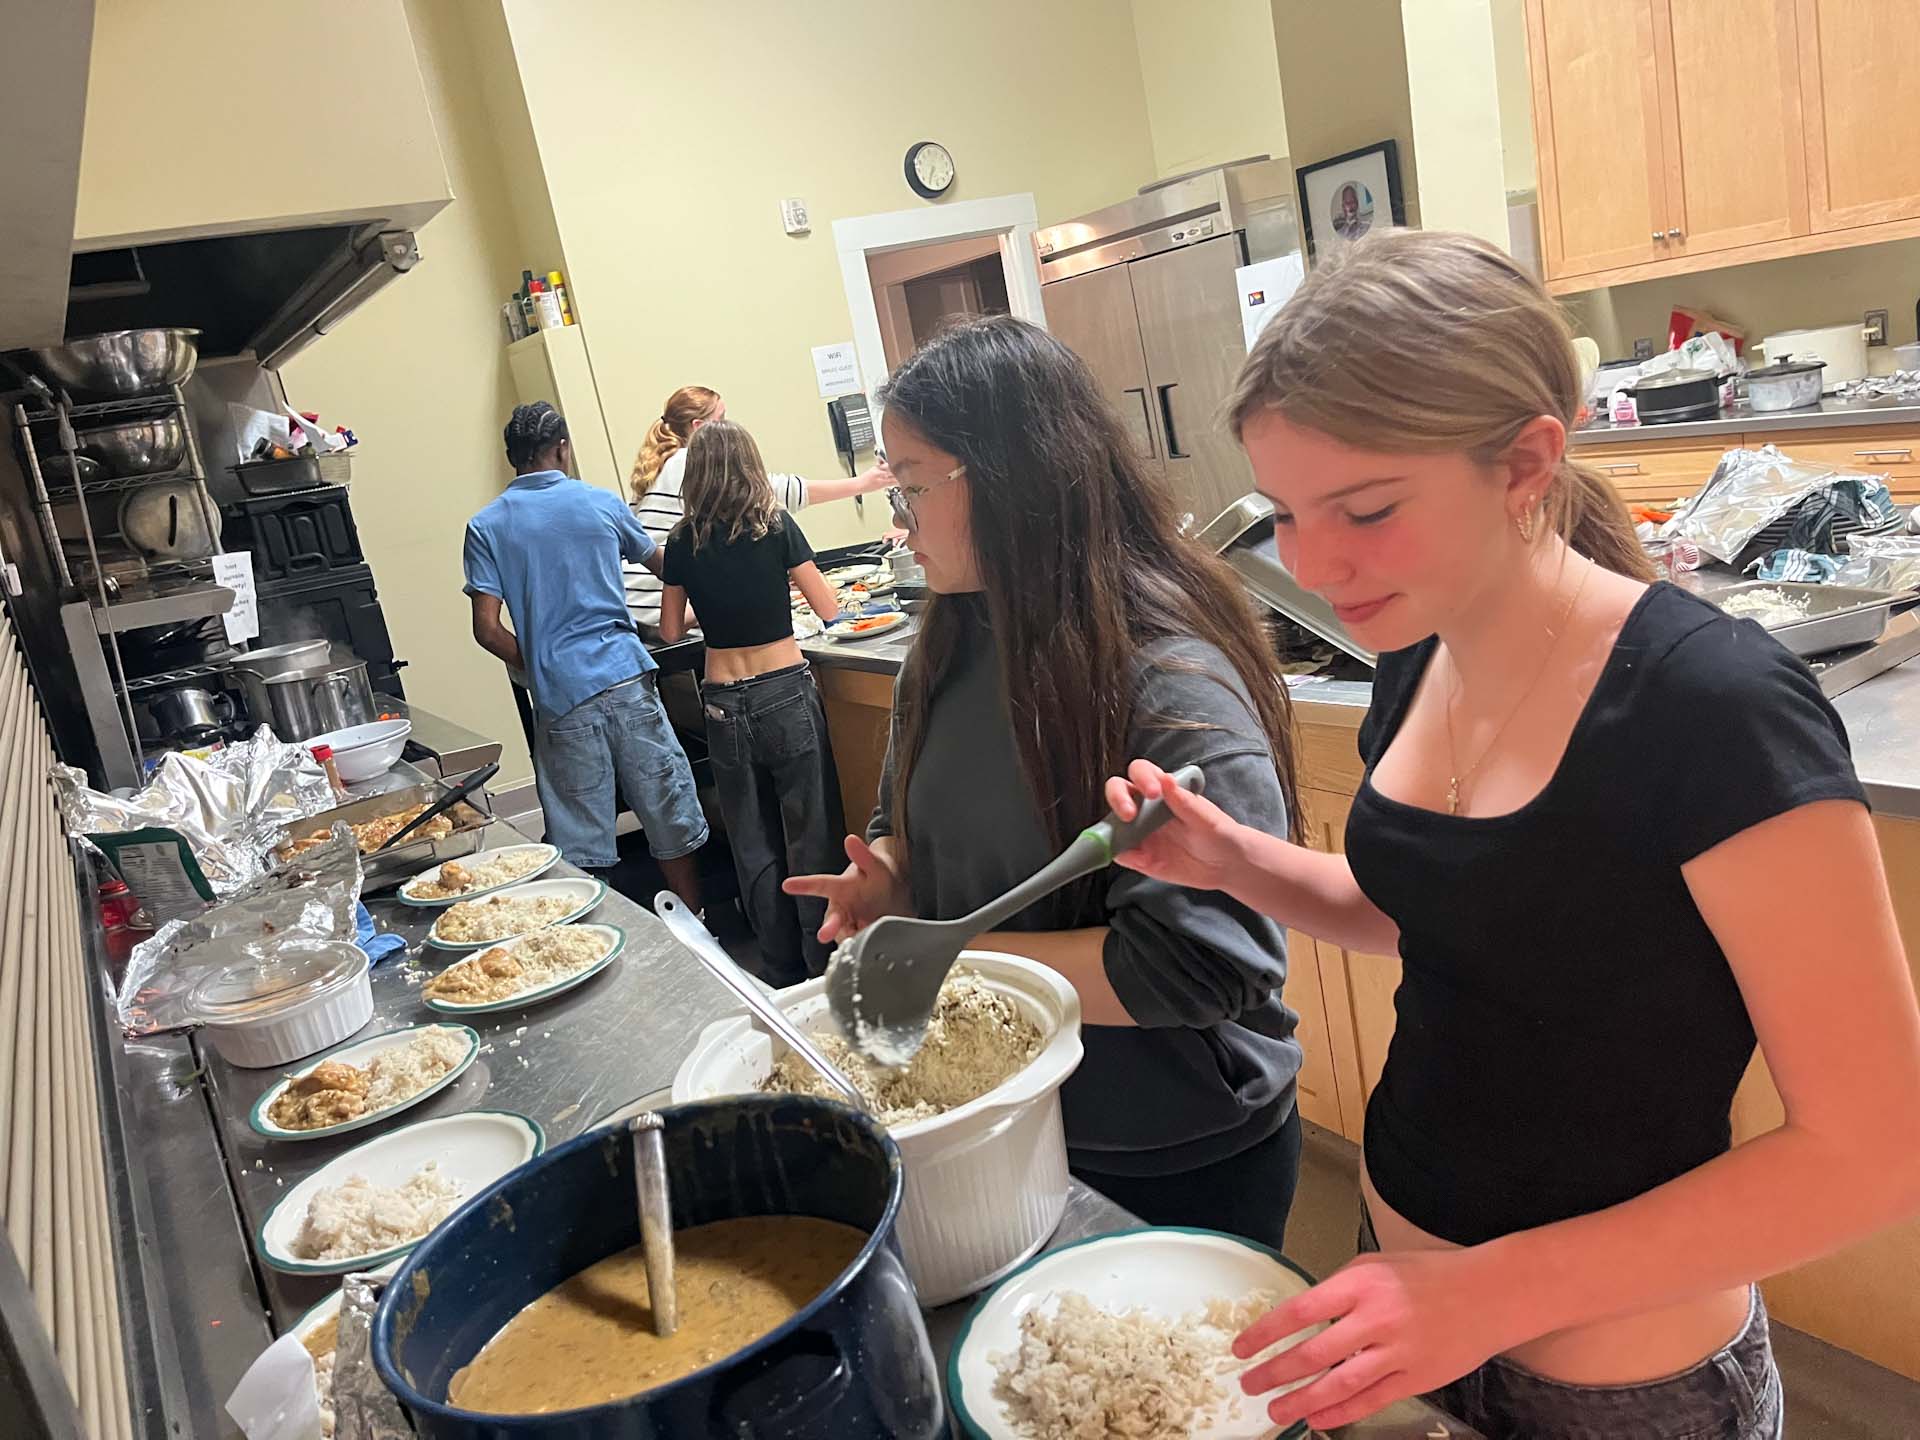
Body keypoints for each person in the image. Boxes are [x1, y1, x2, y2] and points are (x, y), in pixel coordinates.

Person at [1104, 231, 1920, 1438]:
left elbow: (1877, 1152)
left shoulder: (1711, 708)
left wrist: (1482, 1295)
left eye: (1366, 509)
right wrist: (1237, 864)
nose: (1314, 565)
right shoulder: (1417, 644)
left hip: (1619, 1383)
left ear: (1527, 461)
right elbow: (1451, 919)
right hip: (1406, 1305)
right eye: (1286, 514)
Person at [784, 316, 1307, 1250]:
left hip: (1171, 1147)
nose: (900, 521)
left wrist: (948, 957)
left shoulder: (1164, 675)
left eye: (912, 486)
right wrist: (893, 875)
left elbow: (1205, 965)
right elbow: (902, 816)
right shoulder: (948, 641)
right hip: (1008, 1119)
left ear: (1009, 478)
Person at [464, 403, 707, 907]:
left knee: (581, 843)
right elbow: (668, 568)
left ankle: (596, 934)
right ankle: (696, 924)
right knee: (668, 813)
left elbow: (487, 630)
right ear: (562, 449)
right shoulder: (600, 502)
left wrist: (545, 666)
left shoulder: (486, 526)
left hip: (561, 699)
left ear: (511, 457)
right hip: (626, 678)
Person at [658, 419, 845, 985]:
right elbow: (829, 607)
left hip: (721, 702)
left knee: (752, 839)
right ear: (750, 465)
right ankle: (822, 963)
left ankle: (779, 967)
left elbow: (671, 631)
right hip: (784, 691)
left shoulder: (682, 540)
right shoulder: (776, 524)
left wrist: (713, 605)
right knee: (809, 832)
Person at [625, 385, 892, 636]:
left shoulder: (656, 470)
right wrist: (861, 484)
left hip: (639, 608)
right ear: (699, 428)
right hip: (666, 606)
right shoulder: (688, 462)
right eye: (722, 419)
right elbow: (772, 490)